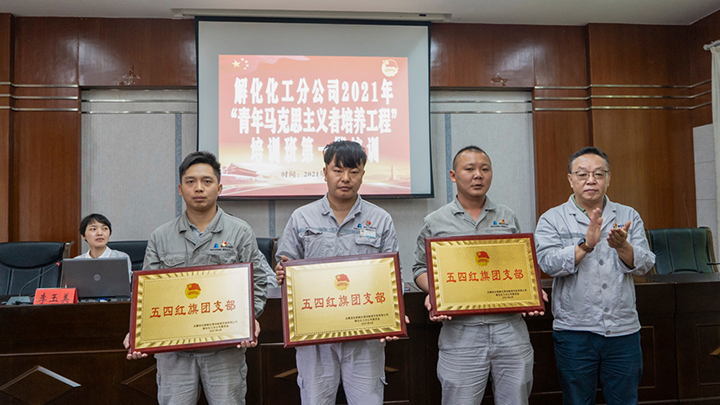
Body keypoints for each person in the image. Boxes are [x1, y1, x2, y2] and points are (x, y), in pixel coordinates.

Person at [123, 151, 269, 405]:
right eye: (190, 182)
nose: (198, 188)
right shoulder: (161, 236)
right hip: (175, 353)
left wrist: (249, 318)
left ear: (219, 188)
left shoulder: (240, 231)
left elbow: (257, 281)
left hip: (224, 350)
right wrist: (138, 331)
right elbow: (147, 293)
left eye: (207, 181)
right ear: (180, 189)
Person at [413, 146, 544, 405]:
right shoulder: (435, 221)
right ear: (453, 175)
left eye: (485, 169)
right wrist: (436, 292)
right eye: (469, 169)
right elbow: (419, 269)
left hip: (510, 329)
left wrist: (531, 289)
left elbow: (521, 263)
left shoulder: (507, 217)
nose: (478, 175)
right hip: (461, 332)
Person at [275, 140, 400, 405]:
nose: (345, 178)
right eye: (338, 170)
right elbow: (286, 265)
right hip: (314, 336)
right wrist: (283, 273)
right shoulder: (302, 218)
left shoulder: (381, 220)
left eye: (353, 172)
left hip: (365, 334)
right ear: (325, 172)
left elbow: (391, 275)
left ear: (362, 174)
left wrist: (394, 315)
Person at [534, 146, 655, 405]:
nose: (591, 180)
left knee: (625, 401)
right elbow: (547, 264)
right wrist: (585, 246)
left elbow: (646, 264)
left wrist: (623, 247)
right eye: (582, 174)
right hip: (575, 332)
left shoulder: (628, 215)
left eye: (599, 174)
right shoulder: (552, 219)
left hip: (622, 331)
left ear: (608, 178)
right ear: (570, 179)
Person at [76, 213, 132, 283]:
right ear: (83, 236)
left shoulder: (121, 258)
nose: (100, 233)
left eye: (104, 228)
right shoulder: (77, 262)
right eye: (93, 229)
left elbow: (125, 285)